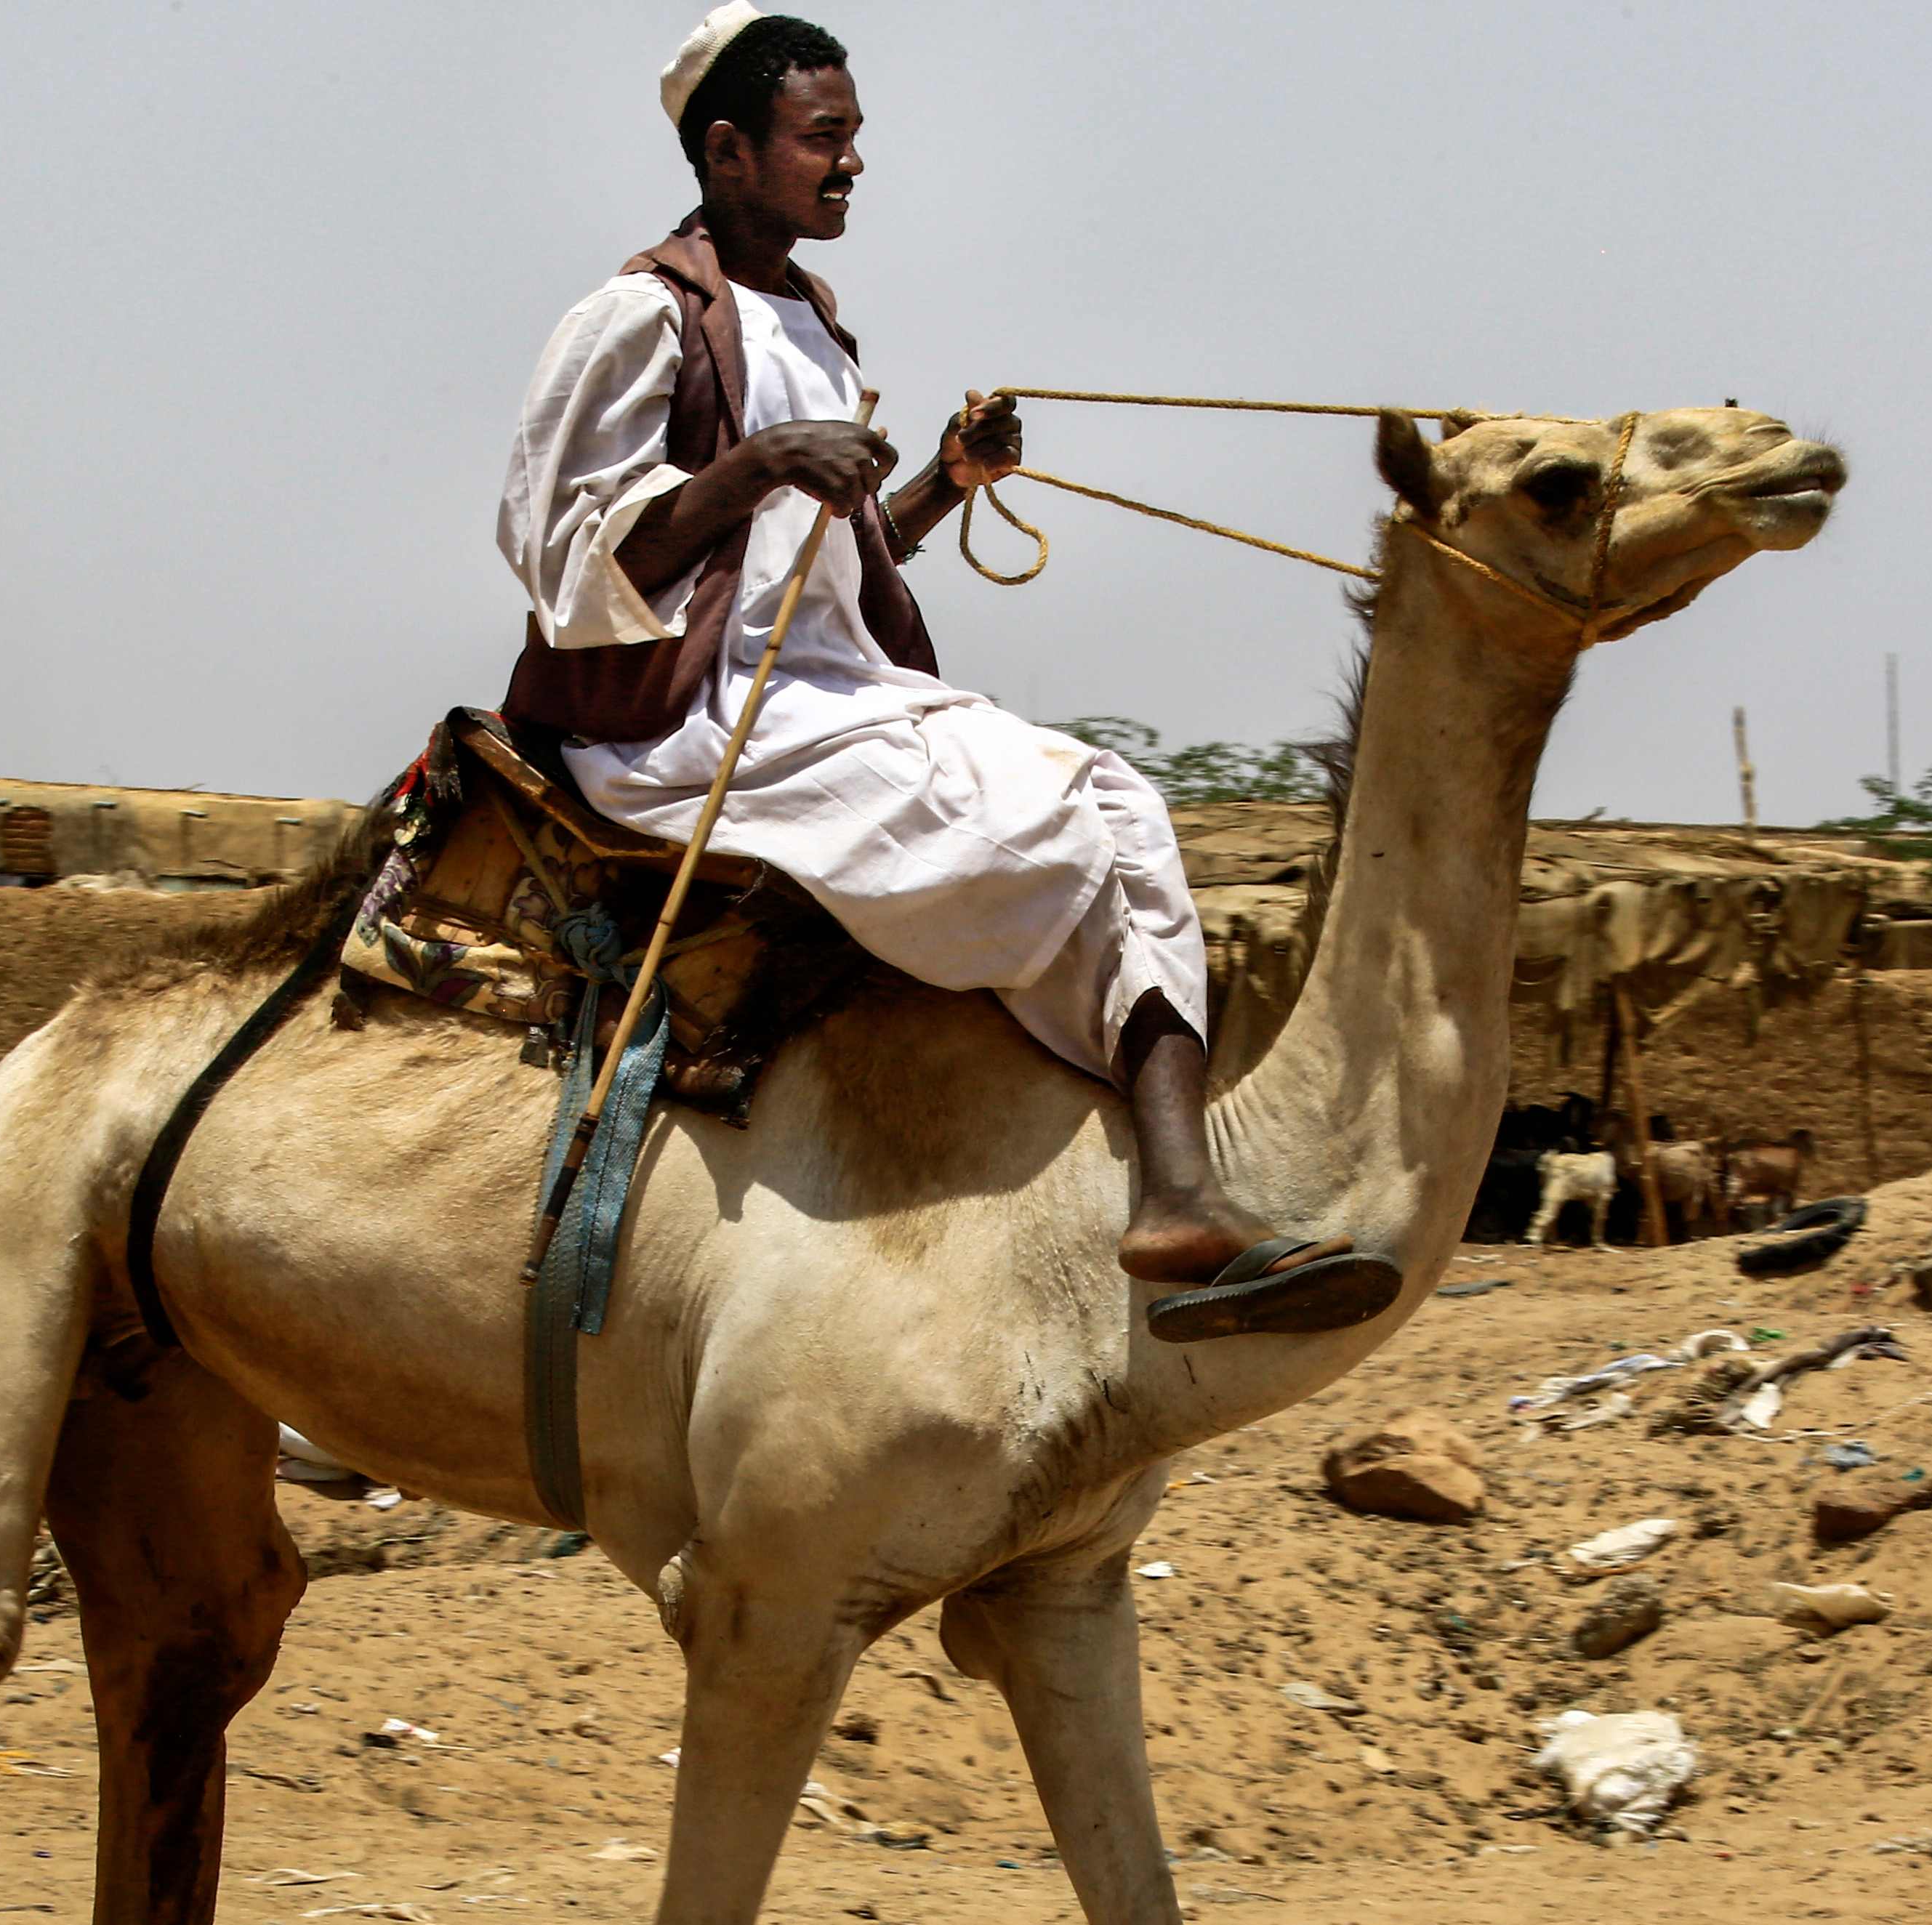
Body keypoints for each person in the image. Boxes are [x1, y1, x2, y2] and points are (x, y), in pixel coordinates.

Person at [496, 6, 1393, 1337]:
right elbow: (559, 552)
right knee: (1044, 824)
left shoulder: (813, 325)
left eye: (855, 138)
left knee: (1121, 802)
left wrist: (943, 484)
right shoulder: (639, 317)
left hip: (832, 696)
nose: (852, 163)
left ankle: (1179, 1193)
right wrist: (762, 462)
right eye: (825, 138)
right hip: (693, 724)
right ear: (730, 152)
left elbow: (823, 563)